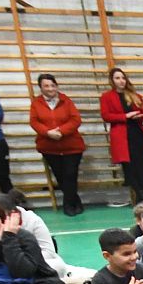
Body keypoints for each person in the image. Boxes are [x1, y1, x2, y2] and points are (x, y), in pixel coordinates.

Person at [28, 73, 86, 215]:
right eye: (46, 86)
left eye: (53, 85)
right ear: (40, 88)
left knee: (71, 174)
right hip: (49, 147)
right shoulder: (36, 103)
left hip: (71, 146)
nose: (50, 88)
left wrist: (61, 131)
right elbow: (34, 121)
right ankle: (75, 202)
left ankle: (68, 205)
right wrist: (48, 132)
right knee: (60, 176)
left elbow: (75, 119)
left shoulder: (66, 101)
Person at [102, 67, 143, 205]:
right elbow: (106, 116)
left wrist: (140, 116)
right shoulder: (107, 97)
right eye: (117, 78)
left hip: (137, 134)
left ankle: (141, 198)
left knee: (142, 166)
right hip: (122, 137)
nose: (121, 81)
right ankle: (142, 197)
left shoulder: (135, 96)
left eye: (123, 78)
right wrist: (125, 116)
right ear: (112, 80)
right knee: (130, 168)